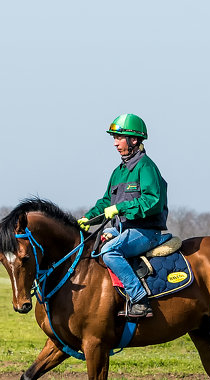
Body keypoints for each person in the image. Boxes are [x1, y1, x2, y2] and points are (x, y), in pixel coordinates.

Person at [78, 114, 171, 319]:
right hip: (122, 229)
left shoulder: (146, 167)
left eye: (119, 138)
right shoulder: (118, 172)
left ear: (134, 140)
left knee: (110, 251)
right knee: (93, 244)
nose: (115, 143)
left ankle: (140, 300)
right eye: (114, 138)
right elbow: (105, 203)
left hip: (146, 232)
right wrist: (88, 218)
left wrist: (121, 208)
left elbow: (153, 201)